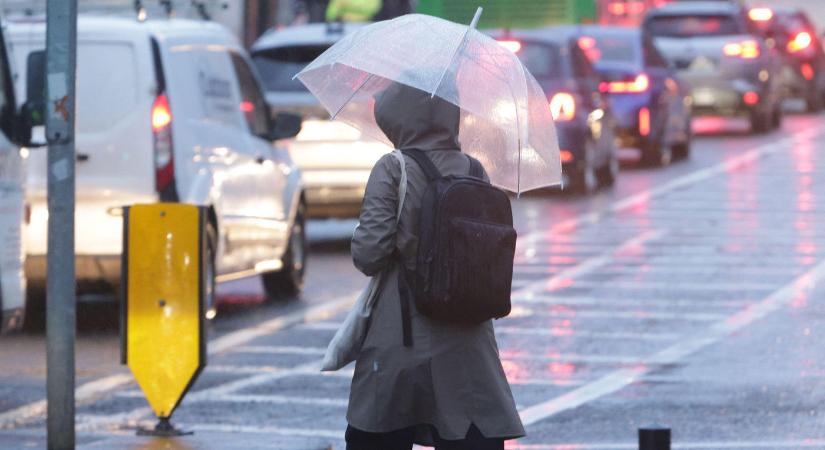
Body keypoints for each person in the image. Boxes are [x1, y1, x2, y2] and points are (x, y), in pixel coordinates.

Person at [346, 82, 525, 449]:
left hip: (402, 336)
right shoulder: (475, 170)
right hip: (470, 342)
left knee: (376, 435)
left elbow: (369, 254)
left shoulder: (393, 168)